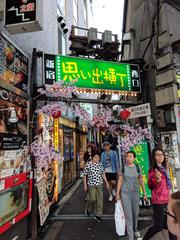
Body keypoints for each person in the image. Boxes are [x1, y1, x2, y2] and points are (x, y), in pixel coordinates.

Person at [142, 148, 176, 240]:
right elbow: (150, 185)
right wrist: (157, 180)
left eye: (161, 154)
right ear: (154, 157)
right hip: (158, 201)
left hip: (167, 199)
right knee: (158, 226)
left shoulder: (164, 168)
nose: (160, 156)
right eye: (157, 155)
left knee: (171, 225)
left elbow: (168, 185)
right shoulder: (153, 170)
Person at [116, 151, 147, 240]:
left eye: (130, 157)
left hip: (135, 193)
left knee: (135, 213)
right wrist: (117, 193)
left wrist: (144, 193)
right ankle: (131, 237)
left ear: (134, 158)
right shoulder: (123, 168)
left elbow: (141, 181)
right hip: (125, 194)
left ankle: (135, 229)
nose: (128, 158)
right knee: (128, 215)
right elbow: (120, 180)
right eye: (127, 157)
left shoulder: (138, 167)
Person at [83, 152, 110, 222]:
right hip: (91, 184)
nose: (97, 159)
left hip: (99, 184)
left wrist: (106, 183)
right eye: (96, 157)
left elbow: (103, 173)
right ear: (92, 157)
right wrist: (85, 185)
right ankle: (88, 209)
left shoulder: (100, 164)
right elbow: (84, 175)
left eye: (98, 157)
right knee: (92, 199)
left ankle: (98, 215)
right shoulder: (88, 164)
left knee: (100, 200)